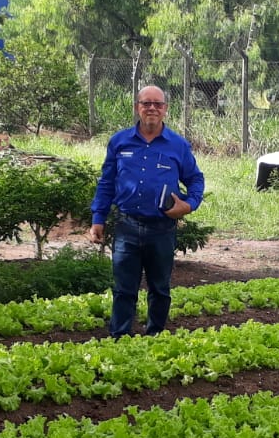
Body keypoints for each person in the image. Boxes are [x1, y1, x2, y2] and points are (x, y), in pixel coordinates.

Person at [88, 85, 205, 336]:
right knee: (123, 290)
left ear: (165, 110)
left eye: (157, 104)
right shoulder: (119, 142)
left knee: (160, 289)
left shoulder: (178, 145)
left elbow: (195, 179)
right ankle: (119, 340)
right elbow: (107, 182)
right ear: (137, 107)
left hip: (162, 228)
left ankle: (156, 338)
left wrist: (189, 204)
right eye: (146, 103)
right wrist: (98, 218)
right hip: (127, 226)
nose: (152, 108)